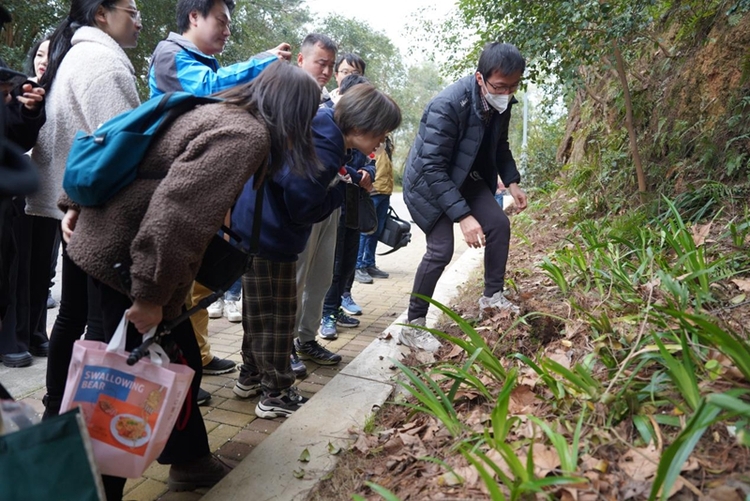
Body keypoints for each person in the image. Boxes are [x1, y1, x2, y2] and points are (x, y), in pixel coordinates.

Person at [60, 61, 321, 496]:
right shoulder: (244, 134)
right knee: (125, 380)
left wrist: (75, 201)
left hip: (110, 240)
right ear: (293, 111)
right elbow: (176, 215)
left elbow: (124, 142)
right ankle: (96, 487)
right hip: (124, 261)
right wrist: (149, 294)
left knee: (177, 359)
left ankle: (189, 460)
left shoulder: (213, 110)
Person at [232, 83, 401, 420]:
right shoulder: (327, 143)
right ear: (362, 125)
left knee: (259, 312)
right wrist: (340, 194)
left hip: (254, 226)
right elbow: (304, 205)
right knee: (279, 318)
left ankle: (250, 376)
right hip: (272, 234)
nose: (381, 143)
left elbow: (318, 176)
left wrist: (345, 177)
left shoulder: (323, 124)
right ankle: (276, 393)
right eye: (380, 135)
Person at [148, 0, 291, 397]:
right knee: (163, 288)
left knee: (181, 288)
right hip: (164, 187)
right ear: (195, 16)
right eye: (221, 20)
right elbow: (208, 89)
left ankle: (184, 375)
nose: (227, 30)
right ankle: (165, 385)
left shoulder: (203, 63)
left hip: (184, 187)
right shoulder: (170, 55)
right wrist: (260, 62)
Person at [32, 0, 141, 427]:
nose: (138, 19)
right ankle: (85, 423)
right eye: (130, 11)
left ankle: (54, 411)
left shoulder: (77, 55)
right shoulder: (104, 66)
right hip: (96, 210)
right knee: (97, 323)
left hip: (72, 206)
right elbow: (122, 149)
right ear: (101, 14)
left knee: (72, 314)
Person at [401, 42, 528, 352]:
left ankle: (491, 298)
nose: (506, 93)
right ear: (480, 78)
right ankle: (413, 325)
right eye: (500, 86)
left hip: (466, 176)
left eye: (513, 87)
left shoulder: (502, 103)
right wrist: (463, 216)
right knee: (441, 249)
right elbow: (432, 166)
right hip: (429, 183)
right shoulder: (448, 105)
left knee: (499, 224)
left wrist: (512, 182)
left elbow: (499, 147)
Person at [287, 33, 341, 377]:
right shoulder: (287, 98)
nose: (325, 71)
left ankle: (307, 338)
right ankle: (285, 343)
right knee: (295, 277)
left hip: (329, 199)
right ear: (301, 61)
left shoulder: (327, 102)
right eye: (320, 62)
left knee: (321, 276)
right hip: (299, 204)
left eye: (330, 65)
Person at [318, 72, 376, 340]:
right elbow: (332, 162)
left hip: (354, 201)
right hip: (333, 203)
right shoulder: (328, 119)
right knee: (333, 261)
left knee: (348, 262)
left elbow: (370, 159)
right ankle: (325, 314)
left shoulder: (361, 124)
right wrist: (354, 173)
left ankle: (337, 305)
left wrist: (368, 173)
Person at [355, 134, 395, 285]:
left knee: (376, 231)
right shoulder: (371, 135)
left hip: (385, 191)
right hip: (373, 191)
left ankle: (369, 263)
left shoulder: (387, 139)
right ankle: (358, 266)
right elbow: (369, 160)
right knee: (365, 231)